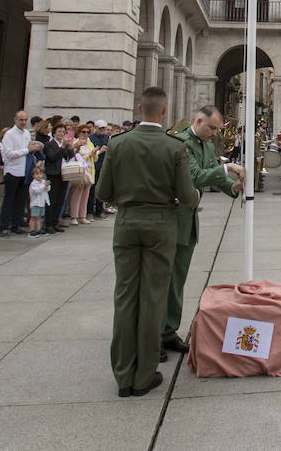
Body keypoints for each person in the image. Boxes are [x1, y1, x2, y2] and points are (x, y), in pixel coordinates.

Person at [98, 86, 200, 398]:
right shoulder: (174, 146)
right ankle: (143, 375)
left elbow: (102, 193)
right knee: (154, 296)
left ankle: (123, 375)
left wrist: (128, 199)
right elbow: (187, 196)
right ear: (164, 111)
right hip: (161, 224)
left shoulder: (118, 144)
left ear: (140, 108)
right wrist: (194, 197)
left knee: (125, 295)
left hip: (127, 222)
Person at [163, 105, 244, 355]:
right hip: (171, 221)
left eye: (217, 129)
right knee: (164, 281)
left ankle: (168, 332)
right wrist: (227, 168)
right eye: (211, 128)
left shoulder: (208, 146)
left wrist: (232, 188)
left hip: (188, 222)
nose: (214, 134)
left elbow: (214, 178)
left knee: (178, 279)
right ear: (198, 121)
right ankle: (153, 334)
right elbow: (195, 176)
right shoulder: (182, 143)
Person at [28, 165, 49, 237]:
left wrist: (47, 185)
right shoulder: (33, 184)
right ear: (33, 176)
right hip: (35, 203)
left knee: (39, 217)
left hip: (42, 202)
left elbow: (47, 190)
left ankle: (38, 229)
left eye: (40, 174)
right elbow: (37, 191)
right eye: (37, 174)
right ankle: (31, 231)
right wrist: (44, 186)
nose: (39, 176)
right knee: (33, 217)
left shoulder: (43, 182)